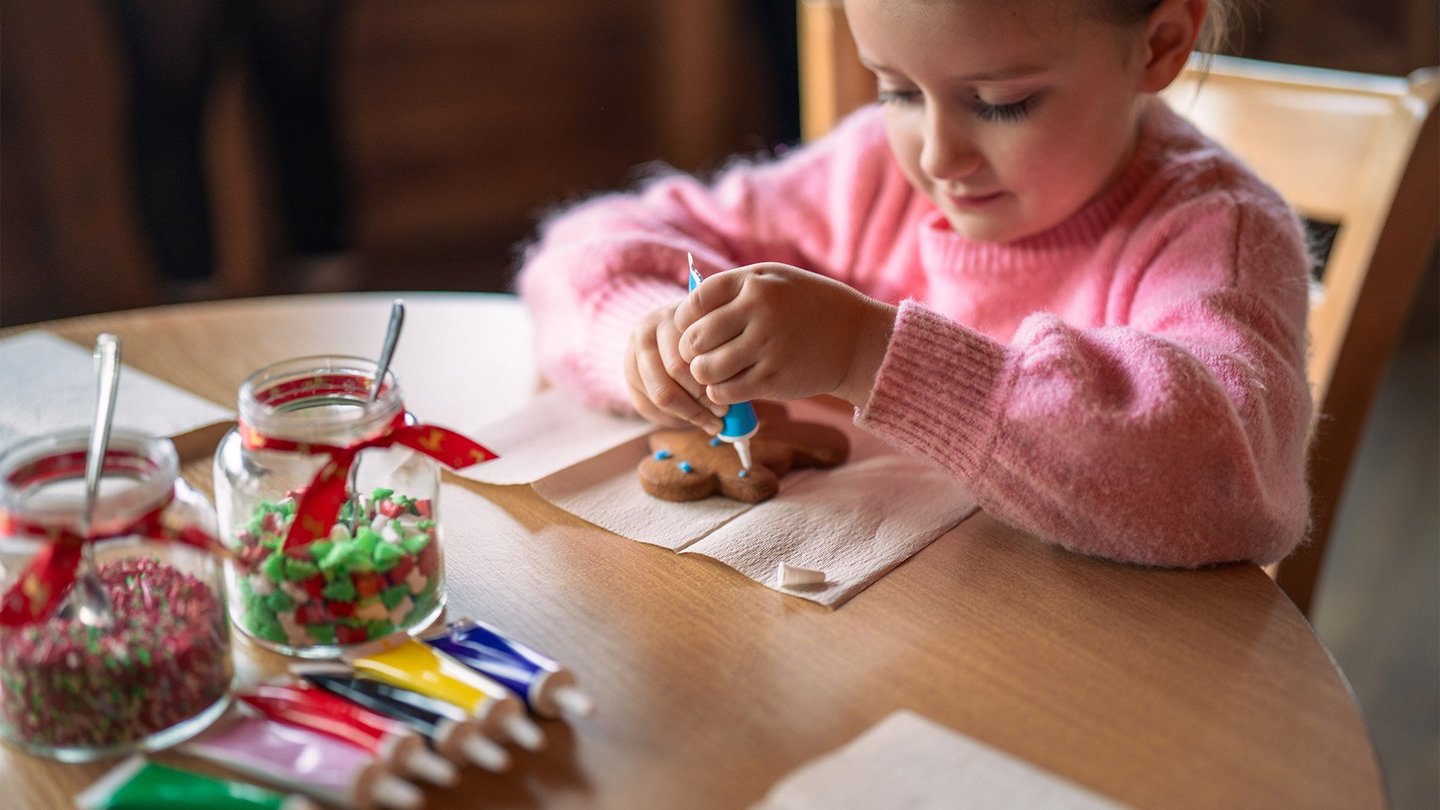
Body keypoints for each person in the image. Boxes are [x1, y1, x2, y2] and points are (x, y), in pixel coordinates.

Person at [515, 0, 1312, 568]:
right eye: (895, 89)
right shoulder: (870, 172)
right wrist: (649, 327)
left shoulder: (1218, 233)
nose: (937, 157)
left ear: (1161, 44)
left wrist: (870, 352)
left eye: (1003, 102)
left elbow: (1220, 477)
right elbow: (584, 250)